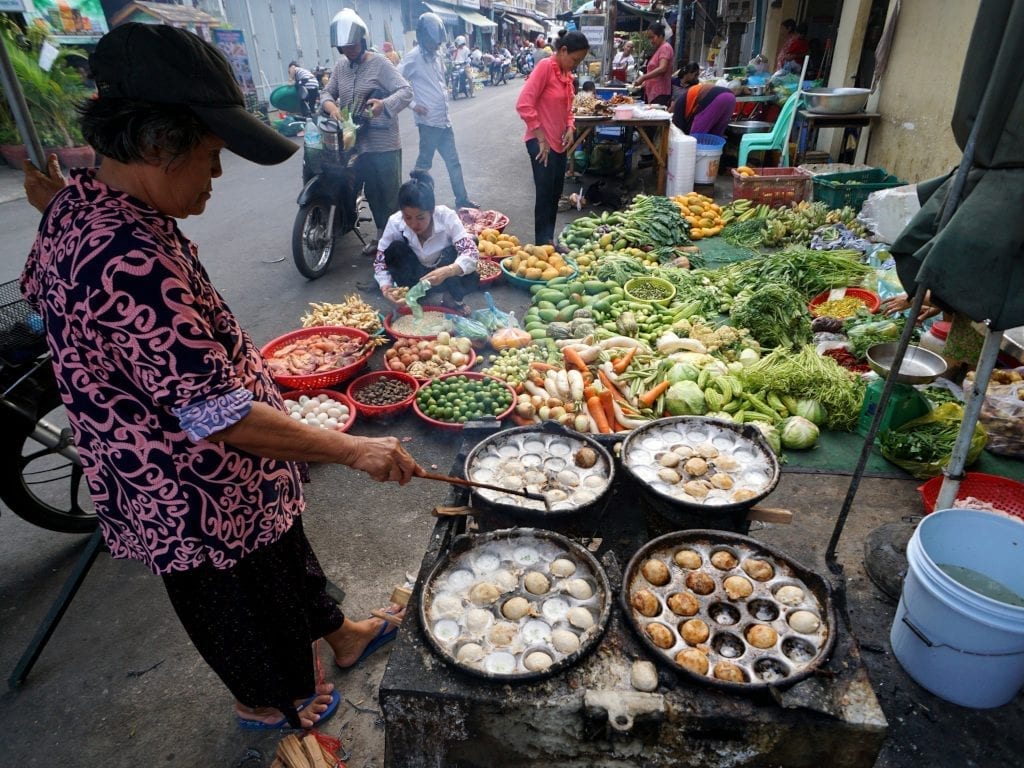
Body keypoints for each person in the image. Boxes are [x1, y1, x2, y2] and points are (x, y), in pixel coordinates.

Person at [19, 23, 421, 733]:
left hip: (243, 476)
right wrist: (353, 449)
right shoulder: (126, 256)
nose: (215, 176)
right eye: (208, 157)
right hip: (188, 490)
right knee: (239, 602)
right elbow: (219, 418)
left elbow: (53, 206)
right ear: (153, 145)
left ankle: (342, 635)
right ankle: (269, 704)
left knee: (285, 556)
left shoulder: (86, 200)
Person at [320, 9, 412, 256]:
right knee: (372, 193)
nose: (348, 50)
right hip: (358, 144)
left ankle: (397, 246)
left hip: (385, 143)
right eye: (344, 47)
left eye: (352, 45)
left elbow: (406, 91)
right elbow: (327, 93)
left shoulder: (380, 63)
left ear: (362, 40)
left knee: (390, 195)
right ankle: (383, 239)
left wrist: (384, 105)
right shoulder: (341, 67)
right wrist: (331, 107)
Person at [516, 29, 590, 246]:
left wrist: (570, 127)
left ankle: (549, 240)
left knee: (556, 193)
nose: (576, 64)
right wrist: (540, 137)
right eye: (575, 59)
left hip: (558, 143)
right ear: (564, 50)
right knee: (545, 194)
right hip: (540, 143)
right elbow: (523, 104)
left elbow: (569, 108)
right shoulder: (545, 68)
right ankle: (542, 245)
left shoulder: (567, 75)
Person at [399, 12, 480, 211]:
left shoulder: (437, 56)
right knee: (423, 166)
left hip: (443, 120)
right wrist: (412, 104)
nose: (436, 47)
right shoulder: (413, 57)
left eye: (438, 44)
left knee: (454, 163)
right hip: (428, 123)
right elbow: (396, 81)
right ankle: (415, 203)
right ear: (423, 38)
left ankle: (462, 200)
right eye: (433, 43)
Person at [373, 170, 480, 313]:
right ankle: (413, 296)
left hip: (444, 273)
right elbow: (380, 262)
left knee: (470, 264)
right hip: (414, 274)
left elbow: (471, 252)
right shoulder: (395, 222)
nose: (414, 224)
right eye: (408, 217)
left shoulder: (446, 217)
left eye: (420, 217)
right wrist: (385, 286)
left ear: (431, 211)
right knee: (394, 250)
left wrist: (448, 271)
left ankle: (451, 299)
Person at [672, 63, 737, 137]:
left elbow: (679, 131)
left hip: (715, 98)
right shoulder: (689, 95)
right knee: (715, 135)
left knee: (697, 137)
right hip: (731, 97)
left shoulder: (679, 105)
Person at [634, 22, 673, 107]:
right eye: (649, 38)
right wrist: (646, 81)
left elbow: (662, 68)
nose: (651, 41)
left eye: (653, 37)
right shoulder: (659, 49)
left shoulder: (665, 47)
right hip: (652, 93)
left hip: (660, 94)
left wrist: (644, 77)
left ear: (661, 36)